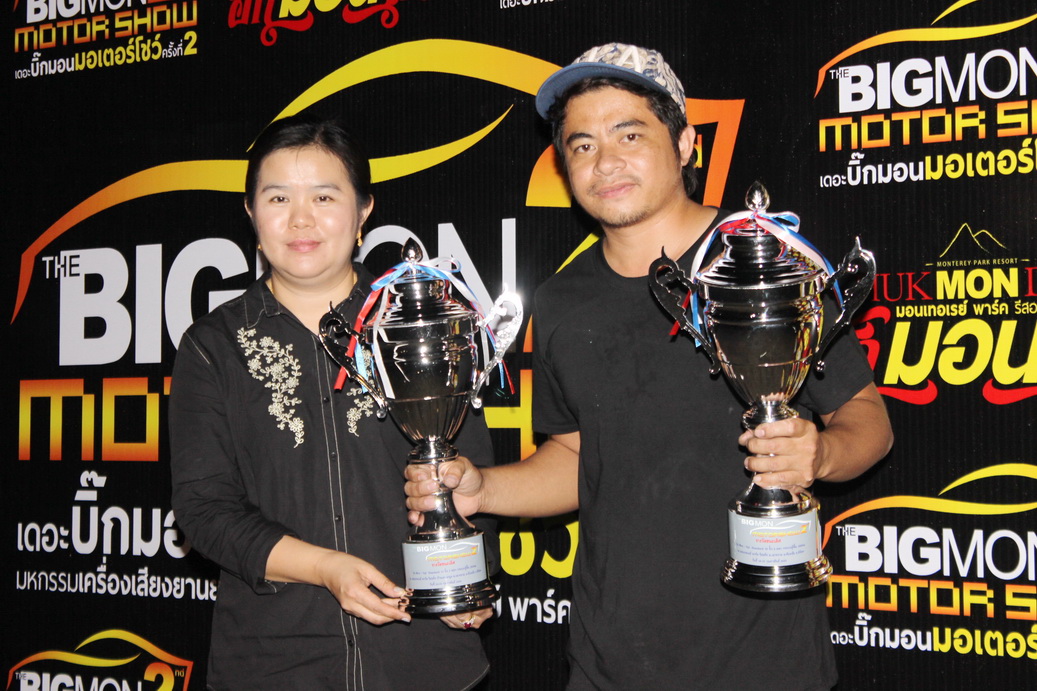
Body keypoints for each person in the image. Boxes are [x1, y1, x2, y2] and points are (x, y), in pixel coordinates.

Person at [405, 43, 894, 689]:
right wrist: (483, 490)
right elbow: (579, 457)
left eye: (628, 134)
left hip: (764, 662)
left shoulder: (763, 265)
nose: (605, 161)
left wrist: (820, 454)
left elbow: (867, 421)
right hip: (607, 662)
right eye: (581, 145)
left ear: (686, 144)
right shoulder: (559, 300)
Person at [169, 115, 495, 690]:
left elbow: (472, 480)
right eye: (278, 198)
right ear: (251, 213)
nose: (301, 219)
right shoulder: (213, 346)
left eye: (324, 196)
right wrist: (324, 568)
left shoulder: (419, 326)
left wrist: (467, 581)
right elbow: (203, 510)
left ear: (364, 210)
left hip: (421, 661)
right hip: (274, 665)